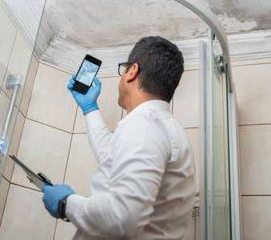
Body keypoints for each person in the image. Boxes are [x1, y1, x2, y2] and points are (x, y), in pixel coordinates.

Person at [42, 36, 195, 240]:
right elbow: (110, 157)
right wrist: (90, 109)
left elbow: (124, 218)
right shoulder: (161, 126)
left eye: (124, 69)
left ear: (132, 71)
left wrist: (66, 204)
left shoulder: (145, 125)